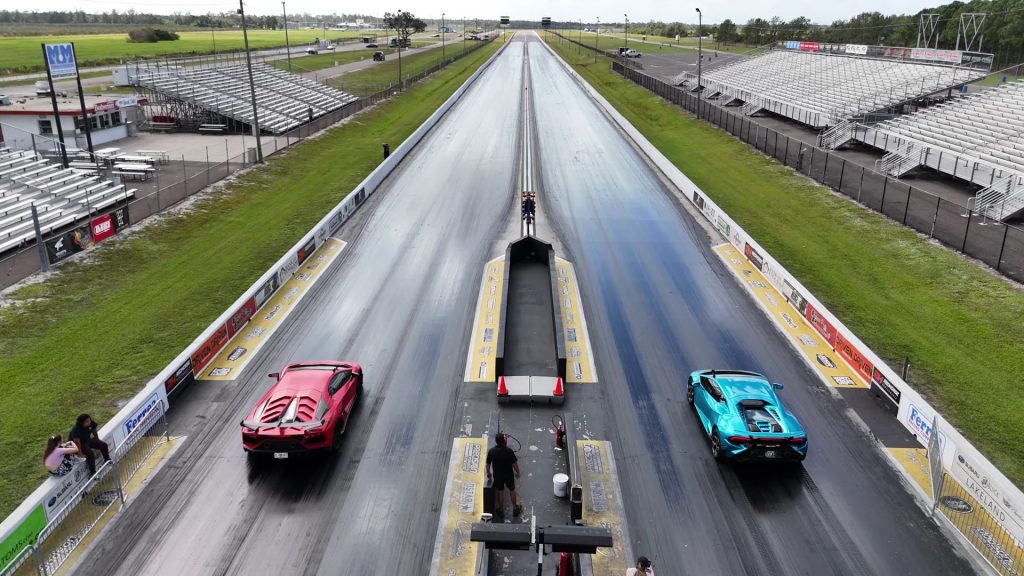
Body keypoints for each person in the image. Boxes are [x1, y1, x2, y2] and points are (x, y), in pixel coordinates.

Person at [486, 432, 521, 518]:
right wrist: (517, 473)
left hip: (498, 475)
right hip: (508, 474)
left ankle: (501, 510)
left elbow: (488, 464)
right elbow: (515, 465)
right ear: (503, 441)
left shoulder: (492, 451)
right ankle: (515, 509)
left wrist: (488, 473)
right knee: (512, 490)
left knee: (500, 491)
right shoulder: (509, 451)